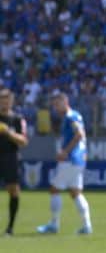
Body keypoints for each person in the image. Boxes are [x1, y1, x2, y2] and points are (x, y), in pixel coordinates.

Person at [37, 92, 92, 235]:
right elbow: (82, 136)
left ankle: (54, 225)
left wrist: (65, 152)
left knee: (54, 189)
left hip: (70, 159)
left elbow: (79, 134)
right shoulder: (76, 115)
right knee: (75, 192)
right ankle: (87, 226)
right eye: (54, 105)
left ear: (65, 102)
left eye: (57, 104)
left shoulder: (70, 116)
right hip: (79, 159)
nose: (55, 108)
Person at [0, 88, 30, 236]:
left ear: (11, 102)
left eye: (7, 100)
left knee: (13, 190)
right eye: (2, 100)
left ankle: (10, 228)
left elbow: (24, 141)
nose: (4, 103)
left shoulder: (17, 119)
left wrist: (8, 132)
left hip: (11, 157)